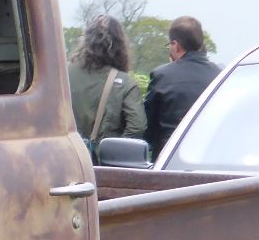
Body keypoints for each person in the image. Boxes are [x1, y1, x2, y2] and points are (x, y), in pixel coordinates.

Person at [67, 14, 144, 158]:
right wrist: (114, 154)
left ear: (86, 41)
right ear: (120, 45)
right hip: (103, 166)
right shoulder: (125, 82)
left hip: (66, 157)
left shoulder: (62, 75)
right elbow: (137, 126)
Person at [143, 15, 220, 154]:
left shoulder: (162, 76)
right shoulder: (220, 75)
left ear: (175, 45)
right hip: (209, 156)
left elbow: (148, 129)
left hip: (168, 159)